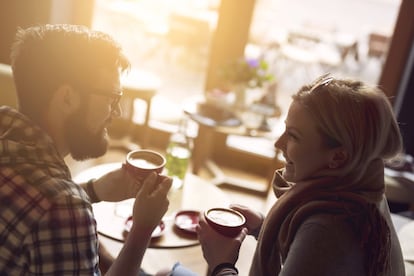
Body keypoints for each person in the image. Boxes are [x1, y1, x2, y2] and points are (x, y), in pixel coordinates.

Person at [0, 24, 172, 275]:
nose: (118, 112)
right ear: (67, 98)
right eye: (112, 98)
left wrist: (93, 190)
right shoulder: (62, 208)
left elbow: (23, 204)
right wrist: (143, 228)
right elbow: (50, 208)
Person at [196, 74, 406, 275]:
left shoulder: (327, 229)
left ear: (338, 157)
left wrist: (222, 262)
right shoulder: (366, 193)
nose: (279, 143)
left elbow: (324, 249)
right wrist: (264, 228)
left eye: (294, 136)